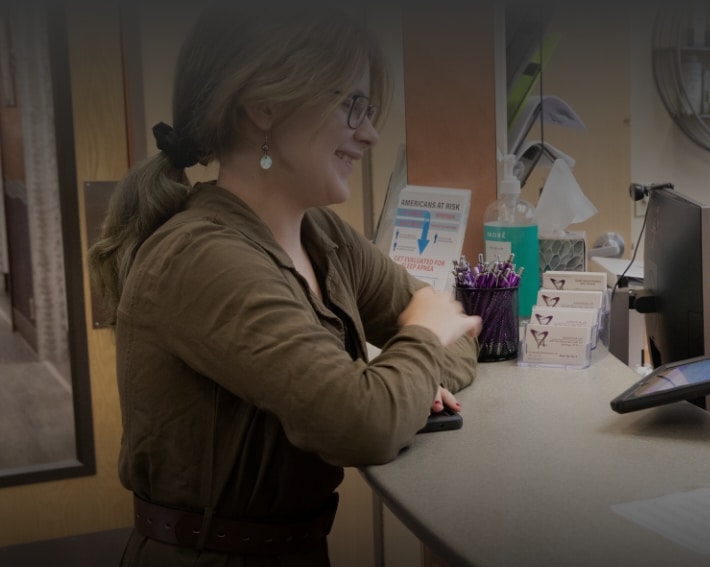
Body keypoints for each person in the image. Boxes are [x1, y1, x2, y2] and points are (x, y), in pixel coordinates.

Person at [86, 4, 480, 564]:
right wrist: (410, 362)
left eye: (367, 109)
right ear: (264, 106)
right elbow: (362, 424)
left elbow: (455, 330)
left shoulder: (322, 236)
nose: (368, 133)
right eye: (351, 105)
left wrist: (405, 382)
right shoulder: (203, 259)